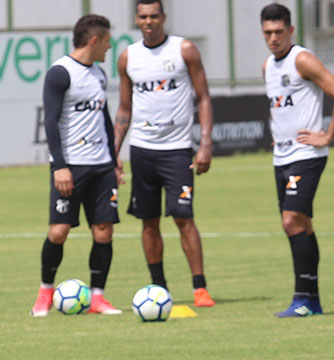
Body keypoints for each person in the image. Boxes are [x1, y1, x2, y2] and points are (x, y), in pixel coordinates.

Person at [114, 0, 215, 307]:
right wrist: (113, 153)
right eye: (143, 16)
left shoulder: (184, 50)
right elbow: (124, 108)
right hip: (143, 150)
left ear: (164, 17)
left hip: (177, 150)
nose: (149, 21)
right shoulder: (128, 57)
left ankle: (200, 288)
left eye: (154, 16)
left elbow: (204, 98)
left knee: (184, 217)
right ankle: (159, 288)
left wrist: (206, 143)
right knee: (149, 221)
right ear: (137, 19)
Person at [260, 3, 334, 317]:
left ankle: (302, 298)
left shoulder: (302, 59)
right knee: (298, 225)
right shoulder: (267, 67)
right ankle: (310, 300)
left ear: (290, 30)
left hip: (307, 154)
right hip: (281, 156)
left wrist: (326, 135)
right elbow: (281, 106)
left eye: (278, 31)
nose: (273, 38)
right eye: (267, 32)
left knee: (291, 219)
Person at [30, 14, 124, 317]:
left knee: (104, 231)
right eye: (107, 40)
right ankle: (45, 293)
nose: (109, 47)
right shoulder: (60, 73)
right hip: (71, 166)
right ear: (94, 40)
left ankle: (98, 297)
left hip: (101, 167)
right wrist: (60, 166)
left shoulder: (99, 74)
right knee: (58, 232)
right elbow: (52, 122)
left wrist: (114, 159)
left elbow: (104, 120)